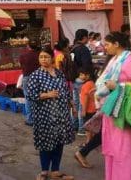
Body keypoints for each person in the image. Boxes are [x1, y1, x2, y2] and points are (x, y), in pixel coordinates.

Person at [27, 47, 76, 180]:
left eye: (46, 57)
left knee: (59, 141)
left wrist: (71, 102)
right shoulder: (35, 75)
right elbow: (30, 95)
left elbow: (66, 89)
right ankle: (44, 171)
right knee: (46, 142)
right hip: (44, 115)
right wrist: (46, 95)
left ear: (52, 58)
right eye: (41, 57)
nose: (43, 59)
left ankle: (55, 170)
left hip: (61, 113)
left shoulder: (59, 73)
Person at [93, 32, 131, 180]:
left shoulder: (129, 62)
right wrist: (101, 89)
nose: (105, 47)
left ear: (117, 44)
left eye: (108, 44)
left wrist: (117, 86)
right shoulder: (114, 60)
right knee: (113, 150)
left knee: (123, 151)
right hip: (111, 111)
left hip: (122, 114)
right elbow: (106, 80)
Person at [71, 29, 93, 136]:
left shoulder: (73, 48)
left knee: (75, 103)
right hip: (82, 79)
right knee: (82, 104)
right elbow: (86, 65)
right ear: (84, 37)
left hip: (74, 79)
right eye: (87, 37)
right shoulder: (83, 49)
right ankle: (81, 128)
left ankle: (74, 125)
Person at [19, 39, 41, 126]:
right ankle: (39, 118)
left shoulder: (23, 55)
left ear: (28, 46)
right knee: (39, 96)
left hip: (27, 77)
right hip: (38, 77)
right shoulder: (40, 54)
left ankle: (30, 119)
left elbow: (21, 64)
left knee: (28, 98)